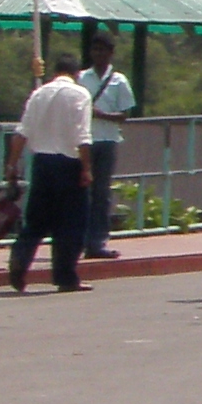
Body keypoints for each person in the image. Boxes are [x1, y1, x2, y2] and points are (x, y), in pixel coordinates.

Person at [7, 54, 92, 293]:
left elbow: (22, 133)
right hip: (69, 164)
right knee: (71, 224)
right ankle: (66, 276)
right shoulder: (80, 94)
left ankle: (20, 259)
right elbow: (83, 137)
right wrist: (86, 169)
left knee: (36, 221)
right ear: (76, 73)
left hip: (42, 163)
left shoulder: (39, 94)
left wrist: (11, 165)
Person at [77, 30, 136, 261]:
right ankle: (79, 239)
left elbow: (124, 114)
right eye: (95, 50)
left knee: (101, 193)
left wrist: (102, 115)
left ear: (111, 54)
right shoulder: (82, 78)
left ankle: (98, 241)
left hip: (108, 140)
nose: (98, 54)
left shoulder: (119, 80)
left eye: (103, 50)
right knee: (81, 192)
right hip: (85, 141)